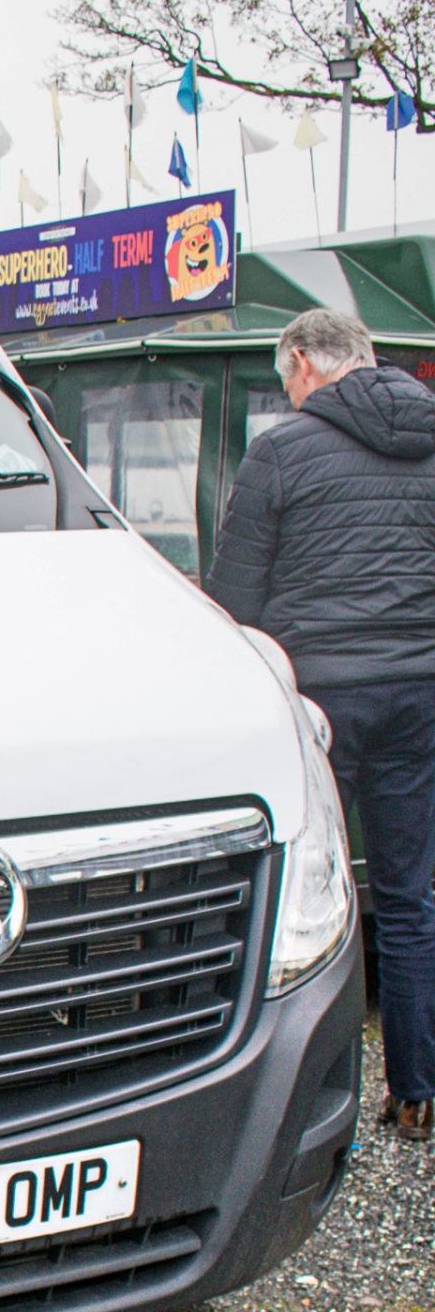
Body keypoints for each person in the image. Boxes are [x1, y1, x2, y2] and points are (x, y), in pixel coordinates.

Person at [207, 307, 435, 1141]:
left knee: (316, 903)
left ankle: (315, 1098)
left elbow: (234, 598)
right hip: (420, 692)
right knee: (410, 896)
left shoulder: (281, 451)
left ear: (305, 362)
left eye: (285, 378)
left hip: (322, 703)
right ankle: (415, 1088)